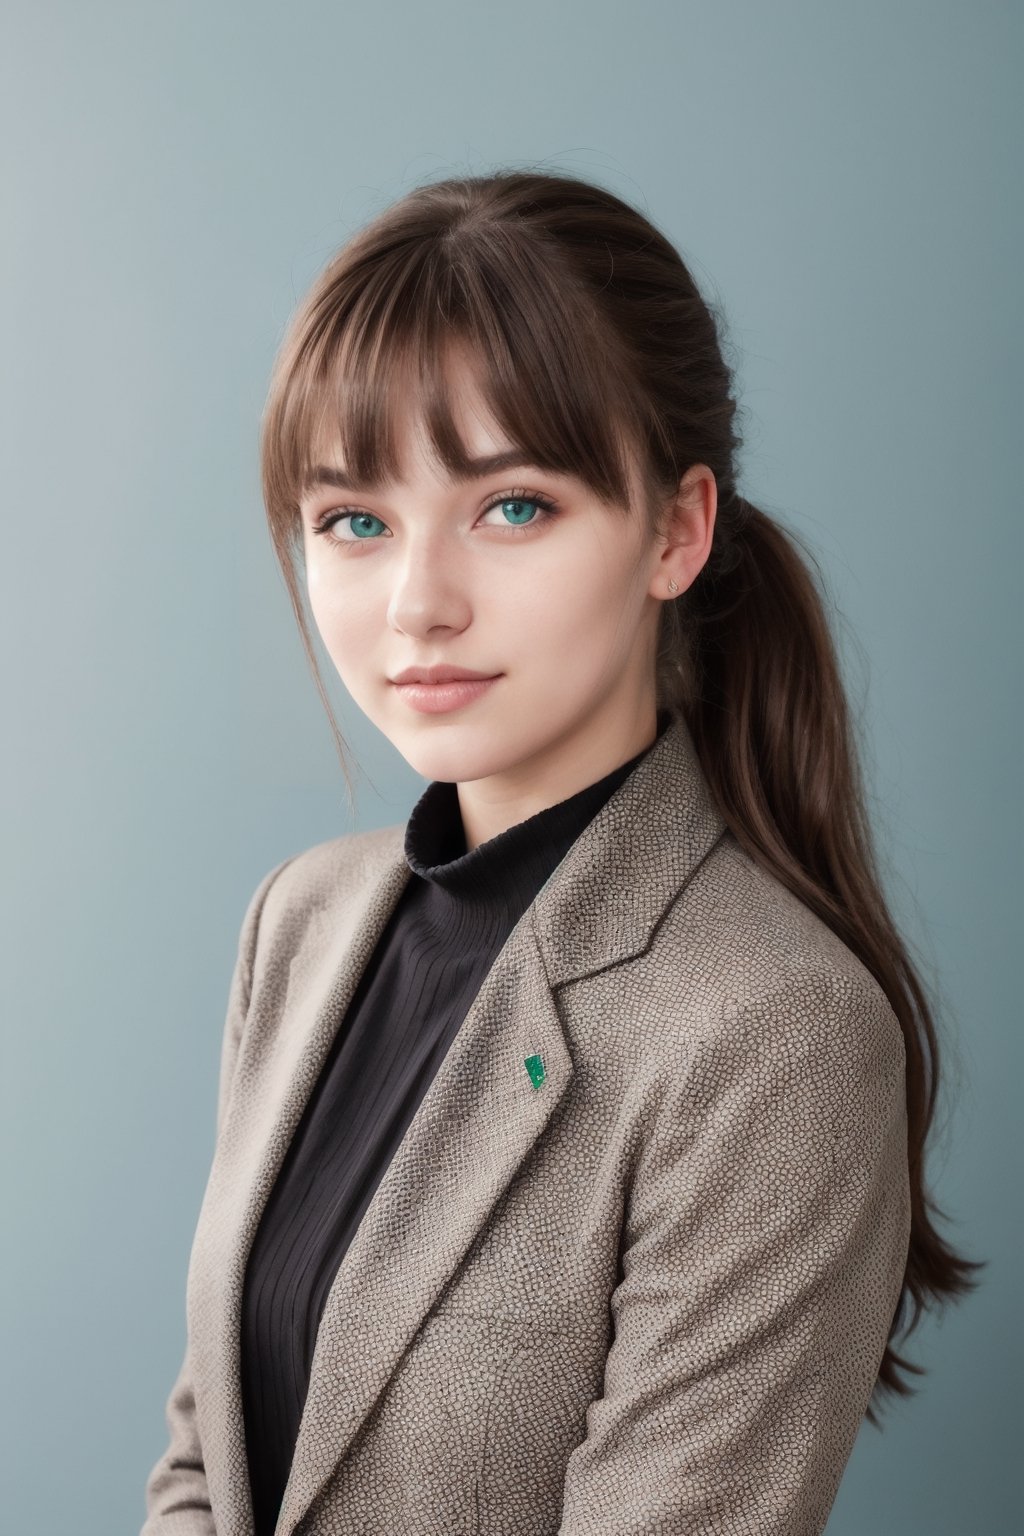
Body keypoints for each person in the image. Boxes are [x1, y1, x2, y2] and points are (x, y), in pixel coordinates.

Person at [141, 169, 982, 1536]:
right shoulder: (298, 923)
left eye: (513, 506)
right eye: (354, 521)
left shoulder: (777, 1035)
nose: (418, 603)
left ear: (675, 529)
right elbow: (209, 1464)